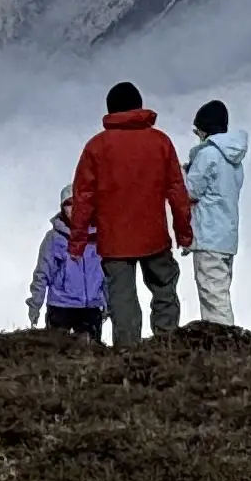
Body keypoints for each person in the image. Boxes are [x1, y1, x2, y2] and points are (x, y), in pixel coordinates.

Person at [69, 81, 194, 345]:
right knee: (164, 289)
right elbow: (177, 192)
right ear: (139, 106)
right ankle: (167, 343)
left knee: (122, 300)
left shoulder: (97, 147)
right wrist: (184, 233)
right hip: (154, 236)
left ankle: (128, 354)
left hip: (115, 241)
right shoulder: (160, 142)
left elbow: (83, 198)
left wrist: (78, 242)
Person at [184, 100, 247, 331]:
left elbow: (190, 191)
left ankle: (223, 343)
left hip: (208, 234)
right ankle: (223, 340)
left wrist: (183, 173)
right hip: (226, 236)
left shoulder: (208, 155)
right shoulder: (234, 160)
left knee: (212, 294)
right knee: (221, 289)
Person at [29, 188, 108, 344]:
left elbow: (107, 274)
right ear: (62, 208)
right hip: (60, 307)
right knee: (57, 358)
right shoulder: (54, 238)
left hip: (91, 308)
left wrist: (107, 304)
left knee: (91, 359)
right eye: (69, 204)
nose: (74, 208)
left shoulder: (100, 236)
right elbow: (42, 273)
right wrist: (35, 305)